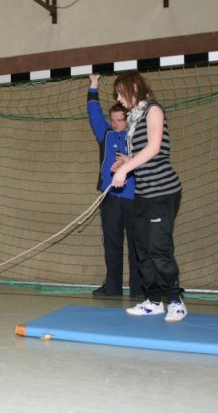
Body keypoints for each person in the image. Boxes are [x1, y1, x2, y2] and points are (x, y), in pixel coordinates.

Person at [110, 72, 186, 322]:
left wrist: (125, 170)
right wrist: (126, 161)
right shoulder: (134, 118)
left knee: (158, 248)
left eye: (120, 92)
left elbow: (154, 148)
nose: (119, 99)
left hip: (162, 191)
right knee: (142, 248)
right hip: (143, 193)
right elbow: (143, 155)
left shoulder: (153, 110)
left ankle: (175, 301)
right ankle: (153, 301)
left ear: (134, 87)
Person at [87, 74, 142, 298]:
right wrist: (93, 84)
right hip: (110, 198)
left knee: (137, 245)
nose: (116, 123)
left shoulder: (136, 135)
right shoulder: (106, 134)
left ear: (128, 119)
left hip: (134, 197)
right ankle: (112, 287)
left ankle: (139, 289)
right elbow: (94, 113)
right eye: (113, 119)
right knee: (111, 244)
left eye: (120, 119)